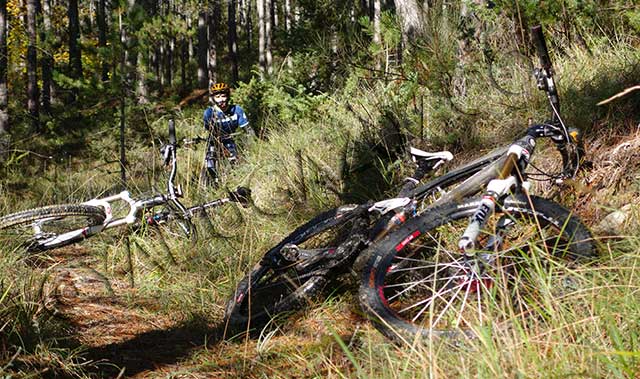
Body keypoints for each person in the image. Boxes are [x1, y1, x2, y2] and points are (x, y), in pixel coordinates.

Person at [202, 82, 255, 186]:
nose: (221, 99)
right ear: (213, 98)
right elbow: (209, 129)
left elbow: (248, 129)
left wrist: (252, 144)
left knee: (233, 164)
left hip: (230, 140)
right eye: (217, 97)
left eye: (223, 96)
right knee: (210, 164)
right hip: (214, 141)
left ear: (228, 96)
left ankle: (231, 185)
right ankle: (210, 187)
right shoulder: (209, 112)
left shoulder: (237, 110)